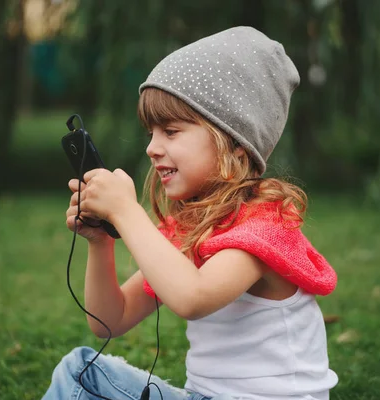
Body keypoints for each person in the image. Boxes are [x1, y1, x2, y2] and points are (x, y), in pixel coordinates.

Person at [43, 26, 338, 400]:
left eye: (170, 130)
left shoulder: (264, 229)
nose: (152, 147)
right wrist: (101, 241)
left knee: (80, 375)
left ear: (235, 149)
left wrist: (127, 212)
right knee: (83, 370)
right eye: (151, 132)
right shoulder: (191, 229)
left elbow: (192, 298)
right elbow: (110, 320)